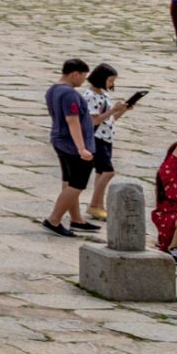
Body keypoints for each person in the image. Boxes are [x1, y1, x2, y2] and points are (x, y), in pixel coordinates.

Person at [42, 57, 101, 237]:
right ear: (75, 74)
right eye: (83, 76)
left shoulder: (53, 90)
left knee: (69, 181)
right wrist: (82, 148)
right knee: (77, 184)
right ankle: (54, 219)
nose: (84, 80)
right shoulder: (69, 94)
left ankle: (76, 219)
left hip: (60, 140)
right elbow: (72, 120)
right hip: (72, 144)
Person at [83, 63, 134, 221]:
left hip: (106, 136)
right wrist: (112, 110)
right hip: (96, 137)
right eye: (110, 80)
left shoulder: (103, 95)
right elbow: (94, 120)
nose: (112, 84)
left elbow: (109, 120)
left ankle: (99, 206)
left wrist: (122, 110)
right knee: (107, 172)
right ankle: (93, 204)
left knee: (100, 173)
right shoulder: (89, 96)